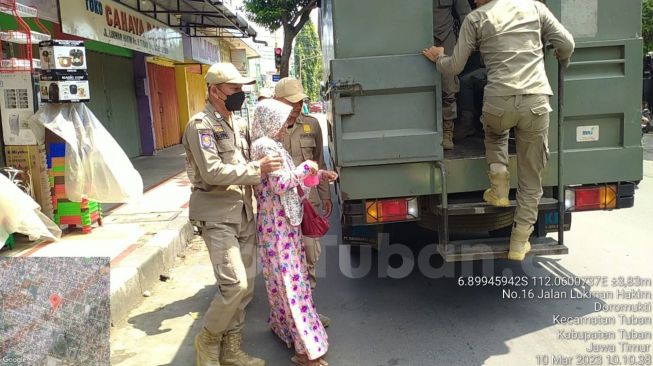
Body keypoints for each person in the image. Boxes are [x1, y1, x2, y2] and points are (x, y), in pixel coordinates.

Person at [422, 0, 574, 260]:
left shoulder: (476, 18)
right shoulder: (535, 8)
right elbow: (567, 43)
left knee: (495, 133)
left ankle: (499, 191)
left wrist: (438, 59)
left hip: (498, 103)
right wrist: (563, 58)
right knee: (530, 179)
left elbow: (455, 66)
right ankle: (519, 242)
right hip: (535, 102)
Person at [182, 62, 284, 366]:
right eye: (234, 89)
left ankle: (231, 350)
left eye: (242, 89)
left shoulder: (234, 124)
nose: (240, 94)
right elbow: (212, 171)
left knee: (248, 286)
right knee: (234, 284)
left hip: (242, 213)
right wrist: (257, 169)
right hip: (216, 215)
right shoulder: (201, 125)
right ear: (215, 91)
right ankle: (208, 342)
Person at [250, 99, 338, 366]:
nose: (285, 127)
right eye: (282, 121)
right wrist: (307, 168)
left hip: (281, 224)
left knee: (281, 281)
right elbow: (282, 183)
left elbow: (291, 179)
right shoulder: (264, 145)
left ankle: (285, 329)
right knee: (292, 284)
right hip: (277, 227)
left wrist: (317, 174)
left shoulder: (272, 144)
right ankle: (305, 351)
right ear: (269, 121)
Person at [274, 77, 332, 327]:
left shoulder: (311, 125)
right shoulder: (267, 129)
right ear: (279, 102)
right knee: (285, 265)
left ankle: (308, 312)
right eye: (292, 101)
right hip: (280, 210)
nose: (297, 106)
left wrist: (326, 194)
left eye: (300, 101)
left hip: (308, 204)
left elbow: (319, 160)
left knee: (309, 257)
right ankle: (287, 316)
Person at [433, 0, 472, 149]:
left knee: (448, 85)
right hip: (416, 36)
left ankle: (447, 129)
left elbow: (465, 14)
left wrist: (468, 43)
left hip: (444, 36)